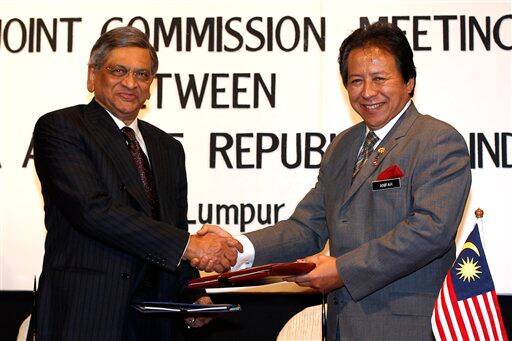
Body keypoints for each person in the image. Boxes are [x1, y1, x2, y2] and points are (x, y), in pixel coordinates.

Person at [195, 22, 472, 340]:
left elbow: (430, 232)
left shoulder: (436, 140)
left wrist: (342, 270)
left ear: (409, 81)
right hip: (341, 327)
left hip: (405, 328)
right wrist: (238, 246)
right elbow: (306, 228)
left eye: (379, 79)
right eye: (356, 81)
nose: (367, 92)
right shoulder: (343, 146)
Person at [32, 26, 242, 341]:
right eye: (119, 71)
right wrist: (191, 246)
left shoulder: (168, 148)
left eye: (142, 75)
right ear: (93, 75)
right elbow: (94, 211)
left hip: (154, 323)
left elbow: (171, 226)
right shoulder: (61, 128)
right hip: (84, 315)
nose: (131, 83)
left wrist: (192, 295)